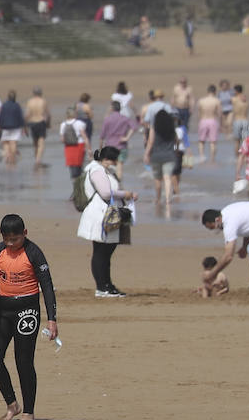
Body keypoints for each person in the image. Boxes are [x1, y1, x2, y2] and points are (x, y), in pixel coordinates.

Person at [0, 214, 58, 420]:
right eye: (6, 239)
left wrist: (52, 320)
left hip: (27, 312)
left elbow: (47, 286)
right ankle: (11, 404)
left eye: (14, 239)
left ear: (24, 234)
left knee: (23, 360)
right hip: (1, 310)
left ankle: (29, 412)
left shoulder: (34, 253)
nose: (10, 243)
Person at [78, 146, 137, 297]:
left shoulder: (100, 169)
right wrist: (126, 193)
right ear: (109, 159)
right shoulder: (98, 170)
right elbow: (105, 192)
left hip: (103, 214)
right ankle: (103, 287)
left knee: (104, 252)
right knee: (102, 252)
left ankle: (106, 285)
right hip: (100, 215)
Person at [144, 109, 180, 209]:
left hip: (156, 156)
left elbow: (150, 142)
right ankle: (168, 200)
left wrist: (146, 154)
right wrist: (176, 151)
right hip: (169, 156)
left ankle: (158, 198)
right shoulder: (172, 128)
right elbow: (177, 141)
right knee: (167, 177)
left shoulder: (153, 128)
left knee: (157, 179)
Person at [0, 90, 25, 165]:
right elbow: (20, 117)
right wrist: (23, 127)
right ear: (15, 97)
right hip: (15, 127)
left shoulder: (4, 105)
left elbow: (1, 116)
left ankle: (8, 157)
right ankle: (12, 159)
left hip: (5, 127)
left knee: (6, 142)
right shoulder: (17, 105)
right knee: (13, 143)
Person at [59, 106, 87, 178]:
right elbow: (84, 137)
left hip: (68, 147)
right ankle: (79, 179)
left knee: (71, 165)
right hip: (79, 145)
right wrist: (89, 148)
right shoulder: (79, 123)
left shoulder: (63, 124)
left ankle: (74, 180)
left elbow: (62, 139)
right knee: (79, 164)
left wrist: (69, 139)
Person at [196, 85, 221, 163]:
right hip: (213, 120)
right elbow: (219, 113)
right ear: (215, 92)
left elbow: (199, 113)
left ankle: (201, 156)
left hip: (203, 120)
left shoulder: (201, 100)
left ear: (208, 91)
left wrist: (199, 122)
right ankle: (212, 159)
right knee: (213, 142)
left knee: (201, 141)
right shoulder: (217, 100)